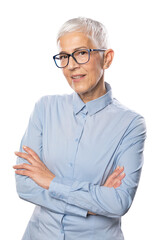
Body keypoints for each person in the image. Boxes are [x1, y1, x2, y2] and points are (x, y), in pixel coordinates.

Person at [13, 17, 146, 240]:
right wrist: (92, 204)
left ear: (107, 58)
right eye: (64, 56)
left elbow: (119, 202)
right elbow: (25, 185)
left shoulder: (131, 124)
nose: (72, 65)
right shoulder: (45, 108)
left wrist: (51, 181)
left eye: (81, 53)